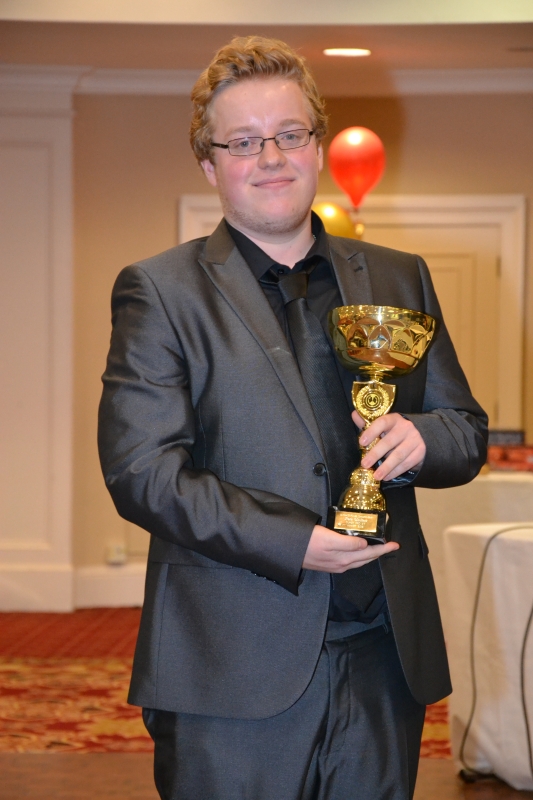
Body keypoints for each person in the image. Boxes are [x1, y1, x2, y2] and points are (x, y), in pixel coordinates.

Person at [98, 36, 488, 800]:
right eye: (243, 141)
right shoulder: (160, 291)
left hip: (382, 653)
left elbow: (464, 429)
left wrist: (420, 440)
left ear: (316, 145)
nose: (270, 157)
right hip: (230, 659)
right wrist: (294, 542)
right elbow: (142, 473)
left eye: (288, 133)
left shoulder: (398, 276)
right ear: (209, 164)